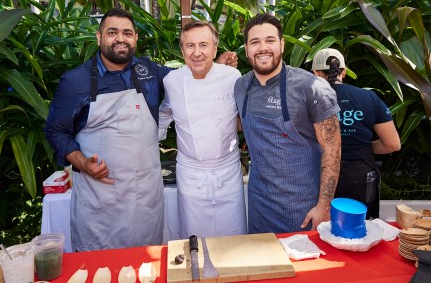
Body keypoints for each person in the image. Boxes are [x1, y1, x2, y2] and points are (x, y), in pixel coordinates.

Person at [44, 8, 237, 251]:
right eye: (112, 32)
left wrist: (213, 66)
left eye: (127, 33)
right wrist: (82, 163)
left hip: (144, 201)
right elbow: (55, 131)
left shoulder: (148, 72)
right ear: (99, 37)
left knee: (146, 266)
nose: (120, 39)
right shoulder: (76, 81)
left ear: (135, 38)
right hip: (100, 202)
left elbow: (189, 77)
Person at [234, 13, 342, 234]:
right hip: (259, 204)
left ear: (282, 45)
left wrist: (323, 206)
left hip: (302, 206)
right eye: (255, 42)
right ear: (246, 49)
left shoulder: (312, 88)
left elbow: (333, 151)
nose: (262, 48)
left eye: (270, 40)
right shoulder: (240, 86)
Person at [159, 21, 247, 239]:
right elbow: (162, 117)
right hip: (191, 177)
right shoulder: (172, 81)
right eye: (190, 46)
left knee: (234, 242)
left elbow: (242, 119)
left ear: (215, 49)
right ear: (182, 50)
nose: (196, 53)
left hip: (227, 173)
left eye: (203, 45)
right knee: (194, 244)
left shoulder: (232, 77)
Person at [312, 48, 401, 219]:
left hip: (320, 177)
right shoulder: (369, 97)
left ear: (316, 73)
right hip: (361, 177)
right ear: (343, 72)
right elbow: (392, 144)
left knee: (322, 231)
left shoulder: (309, 101)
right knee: (363, 228)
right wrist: (365, 147)